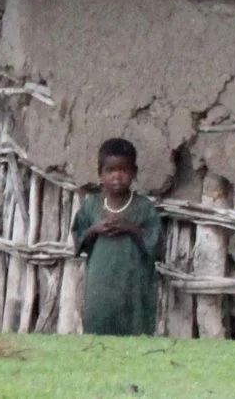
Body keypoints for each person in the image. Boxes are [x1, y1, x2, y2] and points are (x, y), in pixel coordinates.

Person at [71, 137, 161, 336]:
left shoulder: (143, 207)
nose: (117, 176)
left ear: (134, 173)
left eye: (124, 170)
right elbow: (78, 238)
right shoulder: (92, 205)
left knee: (134, 332)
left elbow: (156, 246)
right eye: (110, 170)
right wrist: (95, 229)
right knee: (98, 331)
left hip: (134, 285)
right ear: (100, 175)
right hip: (100, 284)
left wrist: (131, 228)